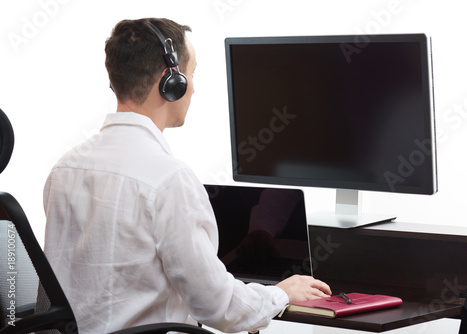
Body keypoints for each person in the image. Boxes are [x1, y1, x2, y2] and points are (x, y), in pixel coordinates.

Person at [43, 17, 331, 333]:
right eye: (191, 74)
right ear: (172, 81)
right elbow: (217, 307)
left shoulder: (65, 168)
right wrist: (281, 293)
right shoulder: (168, 179)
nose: (193, 87)